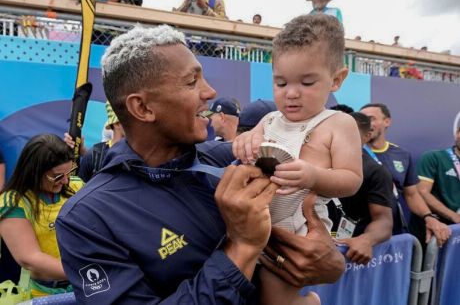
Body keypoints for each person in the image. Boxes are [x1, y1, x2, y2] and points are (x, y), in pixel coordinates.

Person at [56, 25, 346, 305]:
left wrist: (326, 259)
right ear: (143, 108)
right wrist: (241, 247)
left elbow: (306, 232)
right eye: (191, 81)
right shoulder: (86, 218)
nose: (210, 92)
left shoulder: (231, 159)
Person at [233, 14, 363, 305]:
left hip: (296, 228)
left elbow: (352, 180)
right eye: (280, 83)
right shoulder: (268, 119)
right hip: (255, 221)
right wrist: (243, 142)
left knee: (275, 294)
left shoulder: (338, 123)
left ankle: (308, 302)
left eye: (307, 82)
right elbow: (243, 146)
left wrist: (314, 176)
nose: (291, 93)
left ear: (337, 79)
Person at [0, 134, 82, 298]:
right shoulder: (13, 201)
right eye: (58, 176)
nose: (66, 181)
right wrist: (86, 272)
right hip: (44, 294)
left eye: (70, 171)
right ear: (34, 172)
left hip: (85, 286)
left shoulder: (77, 185)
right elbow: (29, 258)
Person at [360, 103, 451, 247]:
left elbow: (411, 195)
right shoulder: (352, 152)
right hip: (360, 234)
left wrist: (429, 217)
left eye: (371, 118)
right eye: (363, 119)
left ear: (387, 122)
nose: (367, 124)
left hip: (393, 233)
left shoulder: (401, 154)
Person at [333, 112, 393, 265]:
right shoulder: (313, 162)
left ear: (366, 137)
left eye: (351, 134)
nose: (341, 138)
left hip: (347, 256)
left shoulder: (376, 172)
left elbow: (383, 220)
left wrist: (366, 240)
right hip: (312, 247)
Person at [411, 126, 460, 242]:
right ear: (458, 133)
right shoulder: (433, 157)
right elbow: (422, 192)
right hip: (435, 231)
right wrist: (456, 217)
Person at [65, 101, 125, 182]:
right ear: (117, 124)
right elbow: (79, 191)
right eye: (132, 119)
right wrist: (69, 153)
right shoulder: (95, 155)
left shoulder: (144, 154)